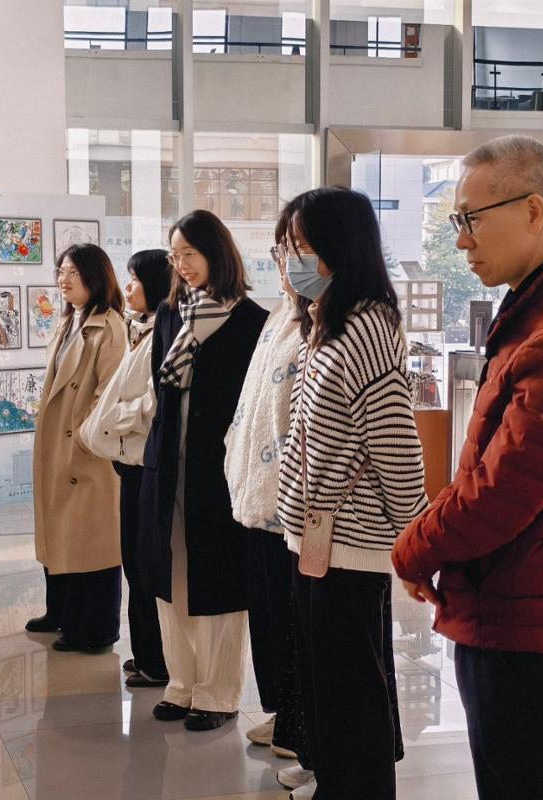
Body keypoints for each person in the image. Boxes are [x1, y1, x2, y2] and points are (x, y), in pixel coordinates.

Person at [392, 135, 543, 800]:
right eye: (454, 221)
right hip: (511, 604)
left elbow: (498, 495)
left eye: (469, 218)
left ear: (531, 210)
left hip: (523, 615)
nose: (461, 239)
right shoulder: (534, 315)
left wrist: (413, 549)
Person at [275, 186, 427, 800]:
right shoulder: (328, 323)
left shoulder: (367, 329)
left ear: (339, 247)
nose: (292, 260)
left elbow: (396, 448)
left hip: (351, 546)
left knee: (351, 700)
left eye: (301, 246)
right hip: (315, 537)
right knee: (327, 694)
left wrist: (419, 544)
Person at [139, 210, 268, 731]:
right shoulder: (171, 314)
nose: (181, 265)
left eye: (189, 254)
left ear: (217, 253)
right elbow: (158, 389)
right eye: (175, 256)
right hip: (168, 463)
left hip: (219, 471)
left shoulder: (252, 320)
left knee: (218, 581)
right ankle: (182, 683)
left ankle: (218, 694)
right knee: (169, 574)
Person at [223, 209, 303, 756]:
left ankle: (299, 725)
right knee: (268, 616)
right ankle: (282, 714)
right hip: (255, 495)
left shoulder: (328, 322)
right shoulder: (279, 314)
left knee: (292, 621)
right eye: (280, 251)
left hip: (292, 505)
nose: (285, 263)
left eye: (295, 250)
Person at [27, 243, 127, 653]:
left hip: (86, 452)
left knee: (92, 543)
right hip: (60, 447)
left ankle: (95, 630)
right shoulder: (70, 320)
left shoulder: (110, 327)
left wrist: (85, 436)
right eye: (61, 272)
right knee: (61, 534)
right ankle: (61, 612)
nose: (63, 280)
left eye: (73, 273)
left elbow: (111, 393)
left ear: (95, 277)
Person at [80, 249, 173, 688]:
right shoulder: (142, 328)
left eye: (135, 278)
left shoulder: (163, 334)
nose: (129, 286)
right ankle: (146, 654)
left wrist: (112, 416)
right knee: (134, 563)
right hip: (128, 460)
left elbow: (153, 403)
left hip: (143, 460)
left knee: (145, 565)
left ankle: (157, 661)